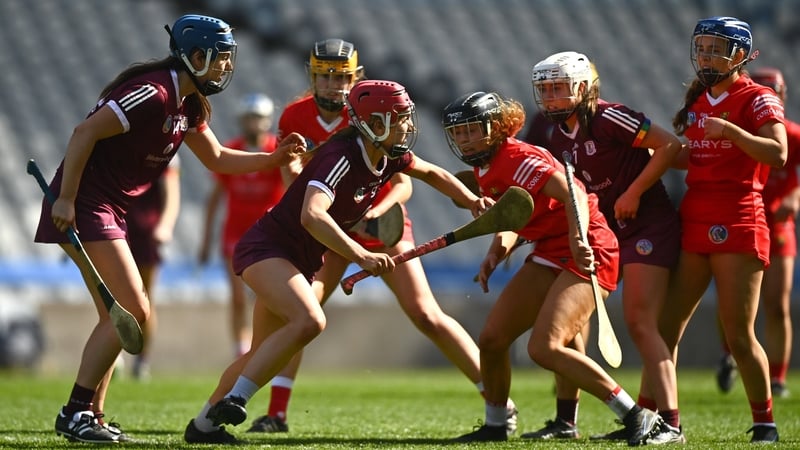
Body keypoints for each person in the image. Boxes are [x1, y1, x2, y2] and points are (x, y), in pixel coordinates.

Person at [32, 14, 304, 444]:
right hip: (85, 205)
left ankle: (91, 415)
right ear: (195, 55)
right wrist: (65, 198)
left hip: (107, 208)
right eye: (219, 60)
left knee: (117, 316)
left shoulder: (188, 101)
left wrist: (273, 159)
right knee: (134, 311)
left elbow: (217, 159)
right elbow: (84, 132)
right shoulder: (155, 92)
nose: (225, 68)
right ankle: (75, 412)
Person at [183, 79, 495, 444]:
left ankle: (203, 426)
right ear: (374, 124)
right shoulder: (341, 157)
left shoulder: (388, 153)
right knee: (310, 320)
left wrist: (471, 200)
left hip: (298, 257)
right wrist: (361, 254)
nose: (409, 126)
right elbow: (312, 216)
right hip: (267, 249)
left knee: (259, 352)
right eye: (400, 119)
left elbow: (432, 173)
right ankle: (238, 399)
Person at [245, 38, 515, 436]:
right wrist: (339, 219)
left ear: (356, 77)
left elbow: (407, 180)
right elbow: (295, 177)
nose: (333, 85)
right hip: (331, 233)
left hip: (384, 228)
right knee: (300, 313)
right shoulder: (295, 116)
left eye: (341, 77)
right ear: (312, 76)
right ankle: (276, 413)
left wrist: (377, 213)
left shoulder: (378, 110)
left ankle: (498, 402)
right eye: (324, 76)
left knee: (426, 314)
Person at [443, 91, 663, 446]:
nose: (464, 140)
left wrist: (579, 242)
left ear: (496, 128)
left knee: (544, 347)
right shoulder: (483, 169)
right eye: (458, 133)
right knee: (493, 339)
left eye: (472, 130)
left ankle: (639, 416)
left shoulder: (517, 157)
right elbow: (515, 215)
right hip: (551, 249)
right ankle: (496, 425)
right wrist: (496, 250)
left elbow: (573, 195)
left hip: (589, 245)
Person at [522, 51, 685, 444]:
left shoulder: (611, 116)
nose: (550, 98)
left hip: (648, 225)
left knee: (641, 323)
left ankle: (672, 426)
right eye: (544, 90)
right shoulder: (557, 134)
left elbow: (670, 147)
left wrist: (634, 191)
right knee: (573, 327)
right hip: (608, 234)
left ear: (581, 87)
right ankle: (568, 421)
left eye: (558, 89)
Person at [660, 16, 787, 443]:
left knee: (737, 332)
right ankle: (661, 420)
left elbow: (778, 154)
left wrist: (732, 131)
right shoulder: (699, 100)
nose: (706, 55)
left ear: (740, 54)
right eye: (702, 47)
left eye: (716, 48)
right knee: (665, 328)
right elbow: (693, 157)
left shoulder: (757, 98)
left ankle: (765, 422)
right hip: (695, 215)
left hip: (738, 218)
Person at [715, 67, 800, 398]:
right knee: (731, 302)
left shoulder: (791, 136)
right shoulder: (733, 129)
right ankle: (728, 354)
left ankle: (777, 378)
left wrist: (794, 196)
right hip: (741, 220)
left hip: (777, 224)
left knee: (777, 304)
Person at [199, 93, 284, 358]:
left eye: (258, 118)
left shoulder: (276, 151)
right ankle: (241, 349)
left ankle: (262, 345)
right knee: (237, 297)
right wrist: (206, 239)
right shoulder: (230, 149)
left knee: (266, 295)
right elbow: (215, 198)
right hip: (235, 232)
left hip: (269, 234)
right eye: (249, 118)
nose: (253, 123)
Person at [125, 155, 181, 380]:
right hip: (117, 225)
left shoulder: (166, 147)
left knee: (144, 298)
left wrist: (165, 225)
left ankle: (142, 360)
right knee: (114, 297)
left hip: (146, 232)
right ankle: (113, 356)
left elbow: (172, 193)